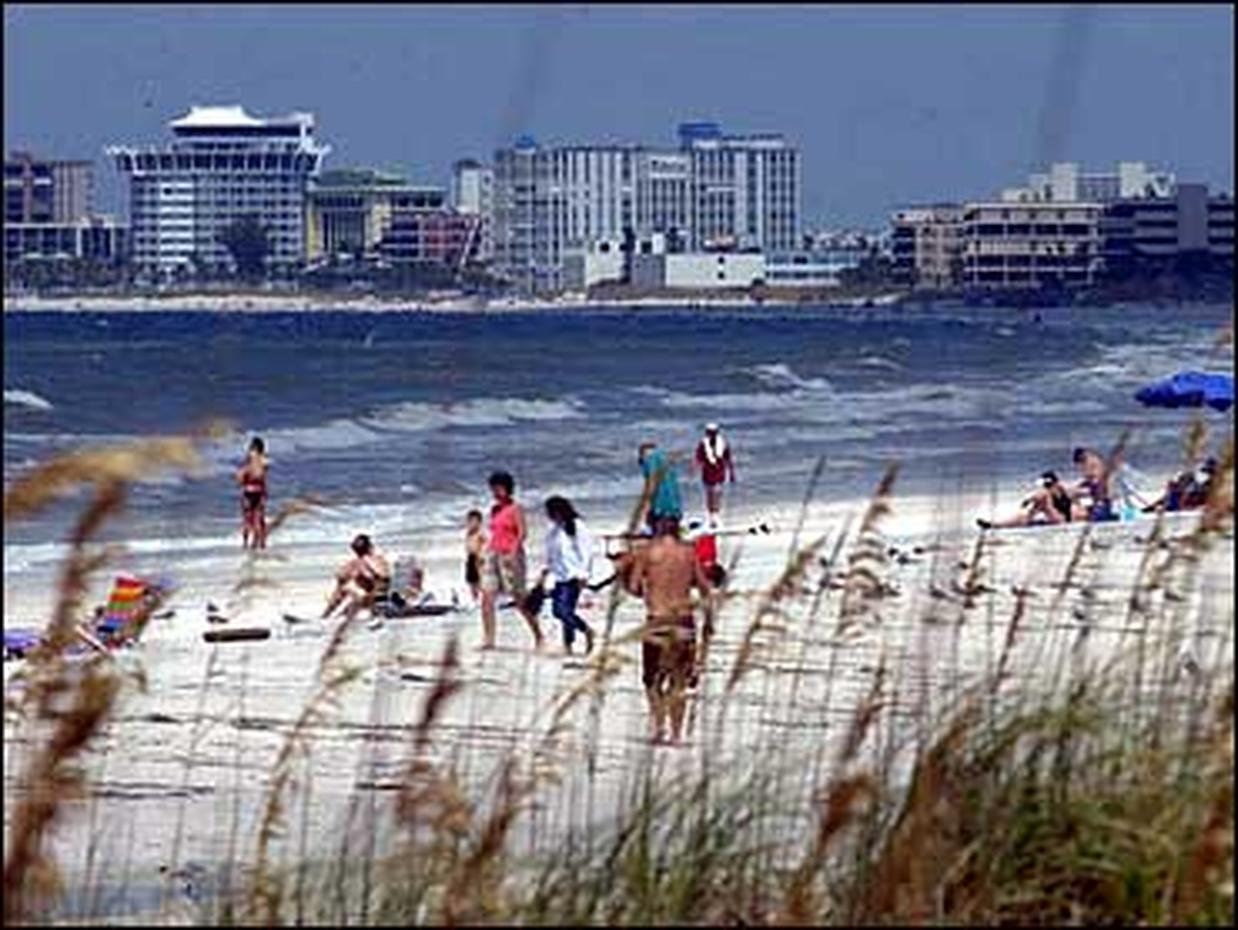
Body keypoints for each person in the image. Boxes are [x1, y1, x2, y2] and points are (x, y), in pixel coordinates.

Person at [626, 515, 714, 745]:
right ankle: (676, 735)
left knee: (652, 681)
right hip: (684, 621)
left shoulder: (646, 552)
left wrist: (648, 589)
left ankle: (659, 728)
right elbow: (704, 588)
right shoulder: (689, 552)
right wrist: (709, 620)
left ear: (655, 526)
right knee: (679, 681)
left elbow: (634, 587)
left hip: (657, 620)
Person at [480, 471, 544, 650]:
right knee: (486, 597)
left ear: (507, 488)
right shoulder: (494, 510)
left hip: (511, 555)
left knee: (519, 599)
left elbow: (522, 533)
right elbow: (493, 533)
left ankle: (538, 635)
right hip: (493, 554)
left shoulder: (516, 509)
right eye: (493, 488)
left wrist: (512, 553)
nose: (495, 491)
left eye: (498, 488)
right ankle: (489, 639)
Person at [539, 496, 597, 655]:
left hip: (574, 576)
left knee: (562, 610)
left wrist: (584, 574)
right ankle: (568, 645)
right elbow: (550, 555)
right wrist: (544, 573)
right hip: (559, 576)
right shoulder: (553, 530)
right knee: (562, 611)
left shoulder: (577, 527)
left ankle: (586, 630)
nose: (548, 515)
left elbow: (586, 551)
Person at [323, 534, 391, 622]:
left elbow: (383, 576)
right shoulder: (375, 560)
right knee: (345, 587)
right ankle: (330, 615)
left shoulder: (366, 562)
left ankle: (327, 615)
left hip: (375, 597)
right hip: (374, 596)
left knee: (345, 588)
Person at [694, 423, 736, 529]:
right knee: (709, 495)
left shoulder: (723, 443)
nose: (711, 434)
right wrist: (695, 468)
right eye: (709, 432)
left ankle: (716, 516)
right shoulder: (703, 444)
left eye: (713, 432)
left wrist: (731, 473)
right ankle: (711, 517)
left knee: (717, 494)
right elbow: (699, 458)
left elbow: (728, 459)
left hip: (720, 473)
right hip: (707, 473)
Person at [638, 441, 684, 534]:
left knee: (659, 534)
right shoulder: (664, 460)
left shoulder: (650, 460)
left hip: (661, 510)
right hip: (675, 509)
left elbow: (652, 484)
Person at [236, 436, 269, 550]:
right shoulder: (263, 460)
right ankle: (261, 543)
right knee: (259, 519)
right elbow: (261, 476)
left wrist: (242, 476)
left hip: (248, 491)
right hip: (259, 491)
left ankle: (246, 544)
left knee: (247, 518)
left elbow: (243, 477)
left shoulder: (250, 458)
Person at [463, 509, 486, 603]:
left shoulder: (480, 533)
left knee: (480, 579)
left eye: (475, 521)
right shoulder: (468, 533)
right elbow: (467, 546)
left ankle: (484, 598)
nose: (472, 524)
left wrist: (482, 556)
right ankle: (474, 599)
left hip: (478, 557)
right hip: (470, 557)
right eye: (470, 521)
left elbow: (486, 544)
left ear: (480, 523)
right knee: (471, 580)